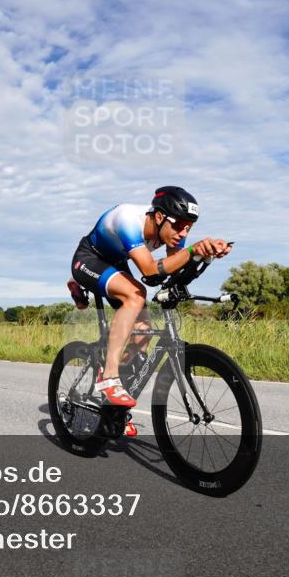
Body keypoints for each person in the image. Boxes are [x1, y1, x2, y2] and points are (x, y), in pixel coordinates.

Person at [68, 186, 232, 436]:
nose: (183, 232)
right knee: (135, 295)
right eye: (179, 226)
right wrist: (192, 251)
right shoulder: (128, 219)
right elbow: (150, 271)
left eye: (189, 227)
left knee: (143, 331)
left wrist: (206, 255)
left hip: (118, 261)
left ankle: (114, 409)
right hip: (89, 258)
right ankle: (109, 376)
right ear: (158, 217)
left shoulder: (174, 231)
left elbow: (173, 268)